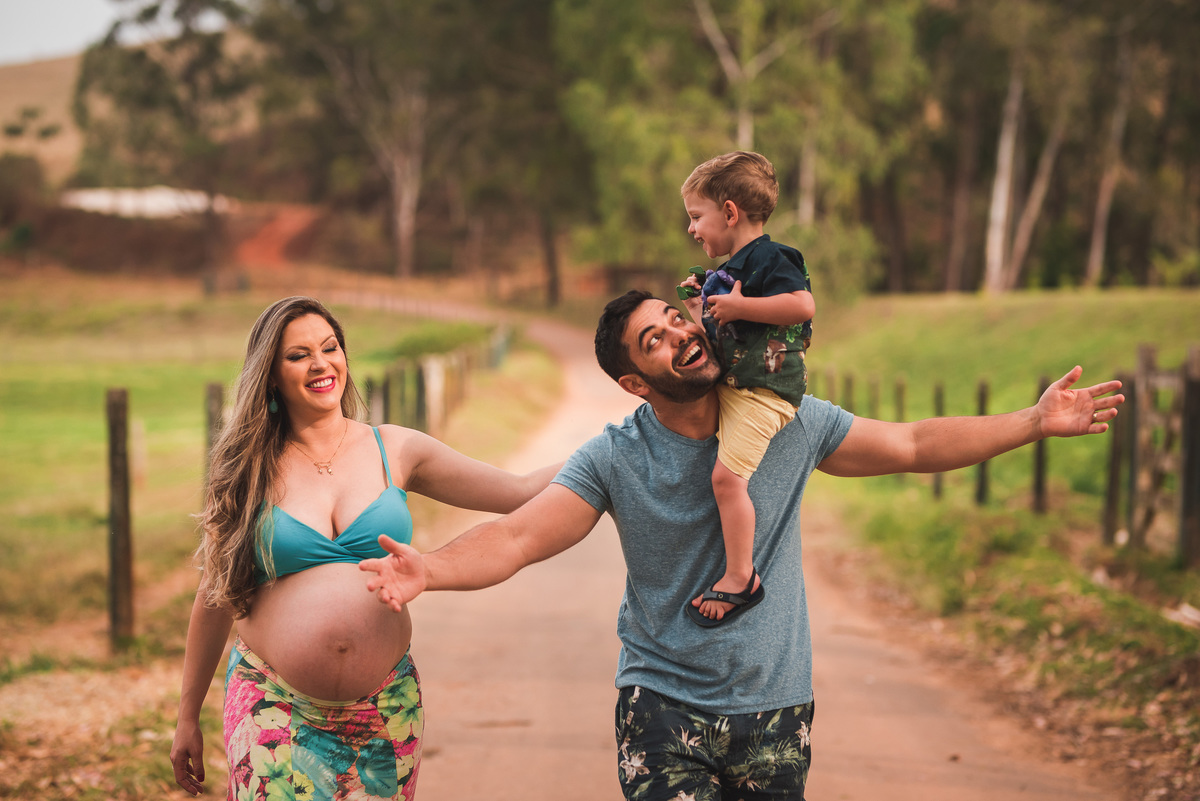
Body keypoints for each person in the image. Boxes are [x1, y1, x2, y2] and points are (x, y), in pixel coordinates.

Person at [360, 289, 1124, 800]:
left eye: (676, 319)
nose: (680, 335)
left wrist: (1032, 421)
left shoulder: (785, 420)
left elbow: (914, 443)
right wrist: (433, 568)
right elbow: (520, 536)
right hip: (662, 709)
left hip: (777, 710)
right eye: (654, 340)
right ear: (635, 382)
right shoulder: (614, 457)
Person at [168, 296, 560, 800]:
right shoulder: (248, 468)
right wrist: (187, 717)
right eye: (299, 355)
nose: (320, 364)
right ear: (271, 375)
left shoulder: (395, 448)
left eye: (330, 348)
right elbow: (214, 592)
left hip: (386, 708)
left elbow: (520, 490)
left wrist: (621, 443)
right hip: (274, 703)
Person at [678, 150, 816, 625]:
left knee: (726, 480)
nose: (692, 228)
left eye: (697, 216)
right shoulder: (733, 269)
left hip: (765, 392)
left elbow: (802, 305)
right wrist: (700, 307)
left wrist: (739, 308)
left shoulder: (771, 258)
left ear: (730, 213)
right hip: (738, 382)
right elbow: (724, 333)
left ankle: (741, 576)